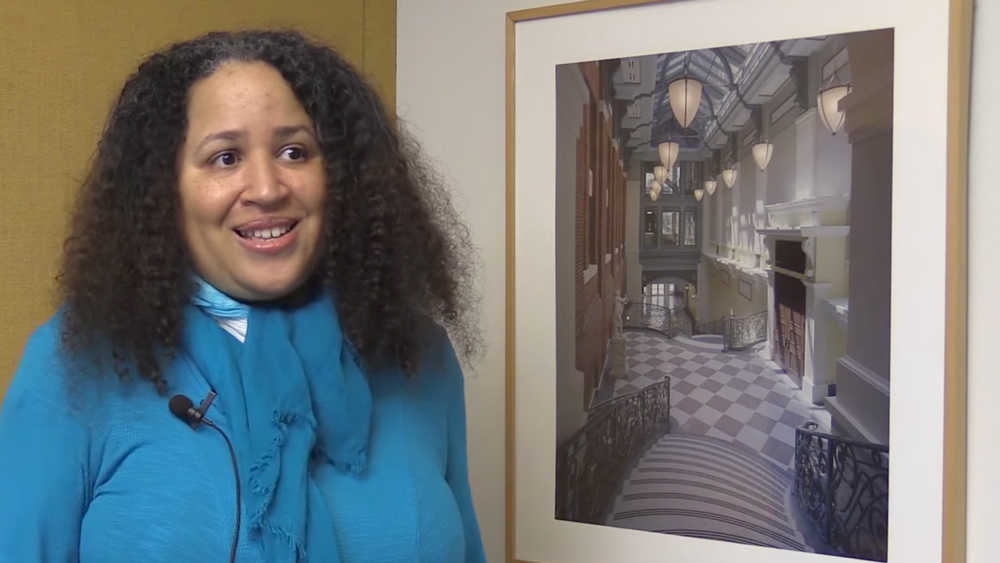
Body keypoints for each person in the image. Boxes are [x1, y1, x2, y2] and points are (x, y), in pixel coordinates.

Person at [0, 29, 487, 563]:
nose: (267, 188)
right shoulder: (74, 364)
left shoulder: (418, 355)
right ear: (163, 189)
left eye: (294, 152)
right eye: (225, 157)